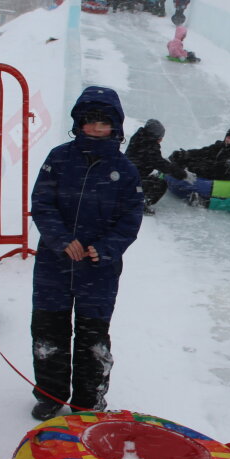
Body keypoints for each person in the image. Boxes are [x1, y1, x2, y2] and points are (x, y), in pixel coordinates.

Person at [29, 86, 144, 420]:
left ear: (115, 127)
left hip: (99, 270)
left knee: (93, 336)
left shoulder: (125, 170)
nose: (96, 127)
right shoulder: (59, 158)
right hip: (55, 262)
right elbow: (42, 203)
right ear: (79, 122)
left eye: (104, 122)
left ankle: (87, 400)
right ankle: (50, 394)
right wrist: (60, 238)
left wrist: (105, 248)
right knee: (49, 330)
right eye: (90, 120)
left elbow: (130, 218)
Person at [166, 127, 230, 207]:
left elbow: (219, 171)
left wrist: (193, 167)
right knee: (188, 160)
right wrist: (186, 155)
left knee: (201, 167)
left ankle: (205, 200)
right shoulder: (220, 146)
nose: (229, 141)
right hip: (213, 169)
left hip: (223, 176)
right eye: (228, 137)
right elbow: (202, 152)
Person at [125, 118, 187, 214]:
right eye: (160, 137)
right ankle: (140, 204)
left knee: (153, 177)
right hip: (131, 182)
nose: (161, 139)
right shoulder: (149, 148)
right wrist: (183, 175)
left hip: (128, 176)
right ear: (155, 136)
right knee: (160, 184)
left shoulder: (139, 138)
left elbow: (156, 161)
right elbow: (161, 164)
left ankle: (134, 196)